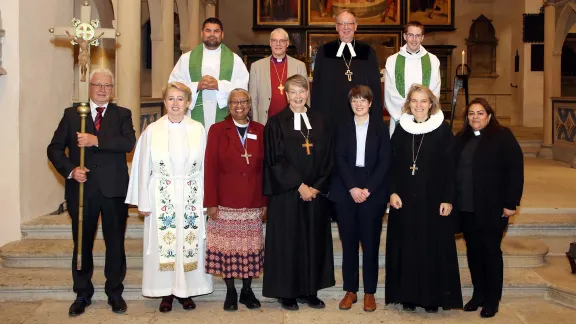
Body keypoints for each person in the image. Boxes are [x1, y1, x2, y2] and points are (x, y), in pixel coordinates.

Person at [47, 68, 136, 316]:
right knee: (82, 243)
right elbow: (54, 149)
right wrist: (71, 170)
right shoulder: (73, 114)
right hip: (82, 190)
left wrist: (95, 141)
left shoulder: (122, 114)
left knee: (115, 243)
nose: (102, 89)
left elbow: (128, 143)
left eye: (107, 86)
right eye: (98, 85)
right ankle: (82, 292)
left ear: (113, 89)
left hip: (114, 190)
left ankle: (115, 292)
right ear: (90, 87)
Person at [125, 82, 212, 313]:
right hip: (161, 194)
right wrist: (142, 200)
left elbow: (205, 167)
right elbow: (142, 166)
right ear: (164, 103)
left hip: (191, 194)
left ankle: (187, 291)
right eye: (171, 99)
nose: (175, 104)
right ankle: (165, 292)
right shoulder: (152, 130)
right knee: (165, 245)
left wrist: (206, 199)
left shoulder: (198, 129)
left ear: (188, 103)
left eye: (180, 99)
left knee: (189, 243)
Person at [385, 84, 462, 313]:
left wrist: (448, 199)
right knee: (407, 247)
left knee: (431, 248)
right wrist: (392, 191)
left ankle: (431, 298)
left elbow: (451, 168)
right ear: (408, 104)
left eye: (423, 101)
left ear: (431, 104)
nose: (419, 105)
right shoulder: (401, 129)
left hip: (433, 200)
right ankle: (407, 295)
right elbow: (391, 164)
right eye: (414, 101)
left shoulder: (442, 130)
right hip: (405, 199)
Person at [262, 74, 335, 310]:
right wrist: (299, 185)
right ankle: (288, 293)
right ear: (286, 95)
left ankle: (309, 290)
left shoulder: (321, 120)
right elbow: (275, 159)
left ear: (308, 93)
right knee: (288, 241)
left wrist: (316, 186)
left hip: (314, 193)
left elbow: (328, 157)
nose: (297, 96)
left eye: (301, 91)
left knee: (313, 240)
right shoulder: (276, 122)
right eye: (292, 92)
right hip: (287, 194)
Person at [455, 98, 524, 318]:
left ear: (489, 115)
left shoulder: (503, 137)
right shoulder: (461, 138)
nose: (475, 117)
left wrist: (511, 202)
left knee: (491, 252)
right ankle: (478, 295)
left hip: (492, 207)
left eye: (480, 113)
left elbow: (515, 170)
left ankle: (492, 300)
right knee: (473, 252)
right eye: (471, 113)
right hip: (466, 206)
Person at [204, 89, 267, 311]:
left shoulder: (260, 130)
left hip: (252, 200)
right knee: (228, 249)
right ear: (228, 105)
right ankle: (231, 291)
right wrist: (211, 201)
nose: (239, 106)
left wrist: (265, 202)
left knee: (250, 248)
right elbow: (210, 167)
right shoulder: (217, 130)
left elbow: (265, 169)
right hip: (224, 201)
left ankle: (247, 291)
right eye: (234, 102)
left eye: (243, 102)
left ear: (250, 104)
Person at [330, 85, 391, 312]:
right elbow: (339, 158)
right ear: (350, 103)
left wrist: (368, 189)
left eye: (363, 100)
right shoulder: (342, 126)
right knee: (349, 245)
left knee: (371, 245)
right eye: (355, 100)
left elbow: (385, 161)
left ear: (370, 103)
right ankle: (351, 291)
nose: (359, 103)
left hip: (372, 192)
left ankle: (369, 293)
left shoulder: (380, 128)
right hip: (346, 191)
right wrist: (353, 188)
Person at [169, 17, 249, 132]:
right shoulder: (186, 59)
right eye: (208, 31)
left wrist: (218, 85)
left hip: (224, 112)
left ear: (222, 34)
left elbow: (243, 88)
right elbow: (173, 85)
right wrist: (197, 86)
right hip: (194, 115)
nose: (212, 34)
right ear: (202, 34)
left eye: (216, 31)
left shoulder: (235, 60)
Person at [312, 9, 383, 129]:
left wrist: (375, 117)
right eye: (342, 24)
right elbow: (317, 87)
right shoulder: (325, 51)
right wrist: (317, 118)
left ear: (355, 26)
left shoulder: (367, 52)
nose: (346, 27)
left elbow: (375, 87)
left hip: (360, 113)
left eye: (349, 23)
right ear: (336, 27)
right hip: (331, 115)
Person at [385, 21, 441, 135]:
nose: (414, 39)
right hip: (399, 117)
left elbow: (434, 91)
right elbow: (390, 93)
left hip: (425, 117)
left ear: (422, 38)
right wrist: (407, 113)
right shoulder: (392, 61)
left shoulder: (432, 60)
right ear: (405, 36)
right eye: (410, 35)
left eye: (418, 35)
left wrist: (421, 111)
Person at [249, 28, 308, 125]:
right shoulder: (256, 66)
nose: (278, 44)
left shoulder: (299, 66)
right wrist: (255, 123)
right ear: (270, 43)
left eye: (282, 41)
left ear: (287, 43)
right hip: (265, 121)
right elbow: (253, 100)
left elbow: (305, 96)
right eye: (274, 41)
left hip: (293, 120)